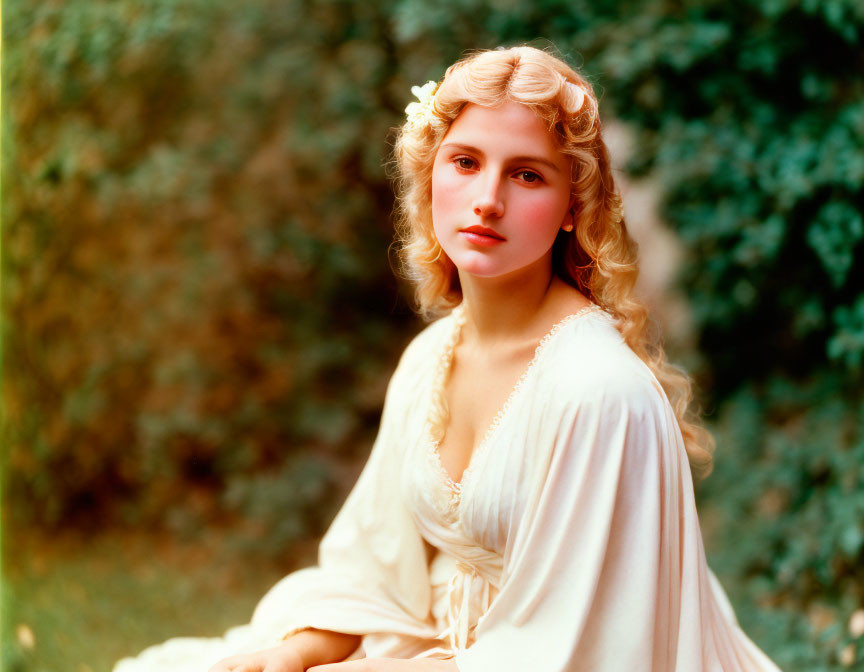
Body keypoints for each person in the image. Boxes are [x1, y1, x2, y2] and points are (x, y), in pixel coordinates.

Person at [113, 45, 783, 672]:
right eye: (465, 161)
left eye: (526, 174)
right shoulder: (433, 357)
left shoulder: (598, 393)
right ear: (431, 171)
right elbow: (374, 570)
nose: (488, 199)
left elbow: (577, 649)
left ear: (574, 206)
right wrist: (291, 655)